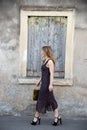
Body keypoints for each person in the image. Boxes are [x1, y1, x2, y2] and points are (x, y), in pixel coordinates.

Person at [31, 46, 62, 126]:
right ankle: (57, 117)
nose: (41, 52)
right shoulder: (44, 61)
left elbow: (51, 74)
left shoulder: (50, 61)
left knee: (42, 99)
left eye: (42, 51)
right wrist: (39, 81)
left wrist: (51, 84)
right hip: (43, 83)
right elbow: (44, 74)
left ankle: (36, 117)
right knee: (50, 100)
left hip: (47, 84)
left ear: (46, 51)